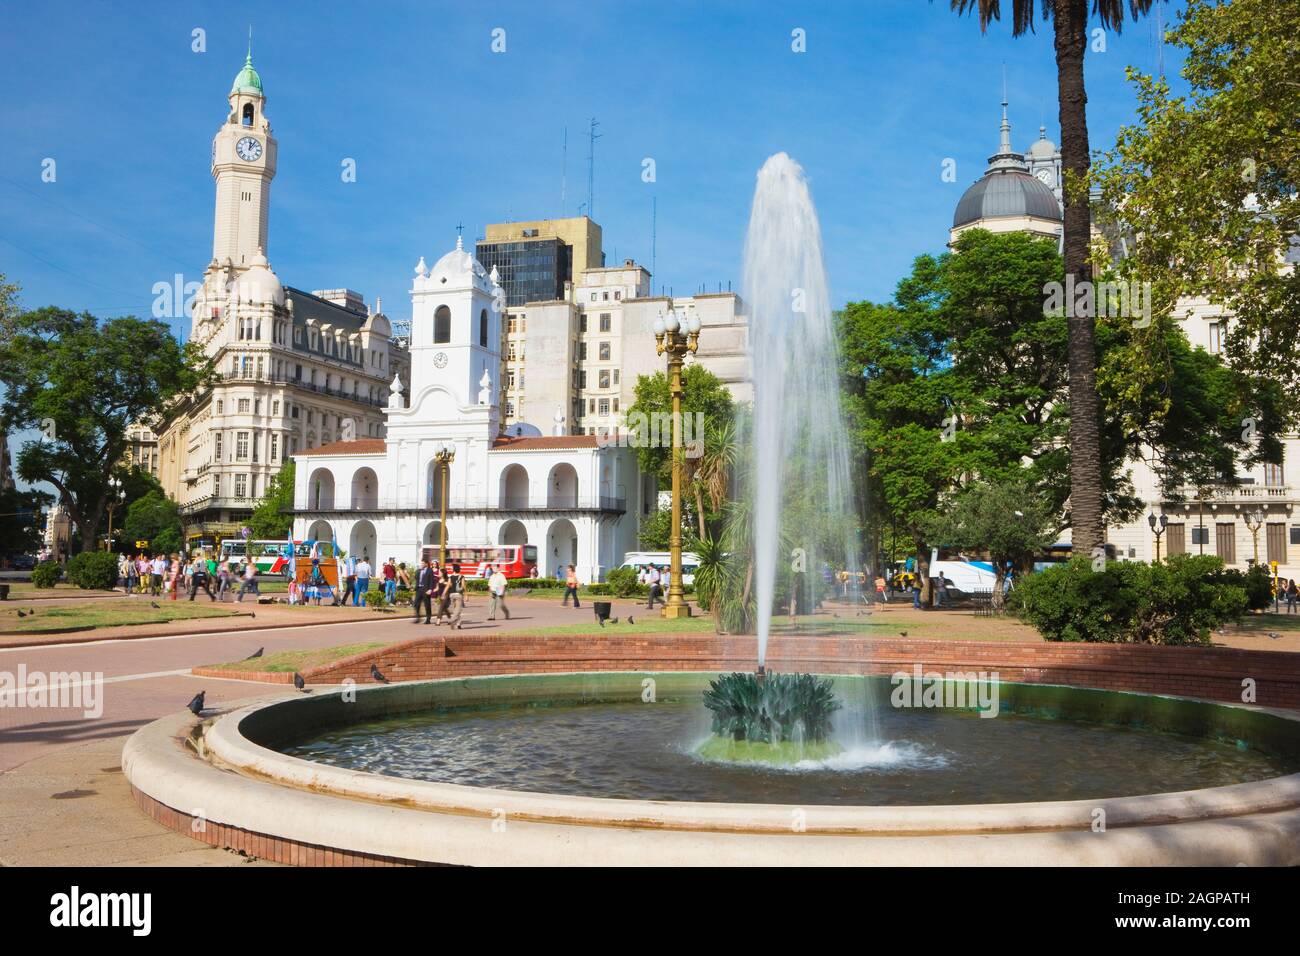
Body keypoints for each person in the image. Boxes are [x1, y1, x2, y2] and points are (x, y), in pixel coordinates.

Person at [444, 563, 465, 629]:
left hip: (451, 595)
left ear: (453, 569)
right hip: (458, 595)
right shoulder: (461, 576)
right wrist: (467, 595)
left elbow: (448, 585)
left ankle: (458, 624)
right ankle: (452, 620)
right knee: (458, 610)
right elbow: (463, 586)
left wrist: (443, 593)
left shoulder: (451, 577)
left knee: (456, 610)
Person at [414, 559, 435, 624]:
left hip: (426, 590)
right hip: (419, 589)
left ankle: (428, 619)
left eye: (423, 563)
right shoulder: (419, 571)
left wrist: (430, 589)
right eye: (421, 563)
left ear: (426, 564)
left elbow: (432, 580)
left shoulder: (430, 570)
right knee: (416, 603)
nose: (421, 564)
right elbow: (416, 578)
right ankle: (418, 617)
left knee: (427, 604)